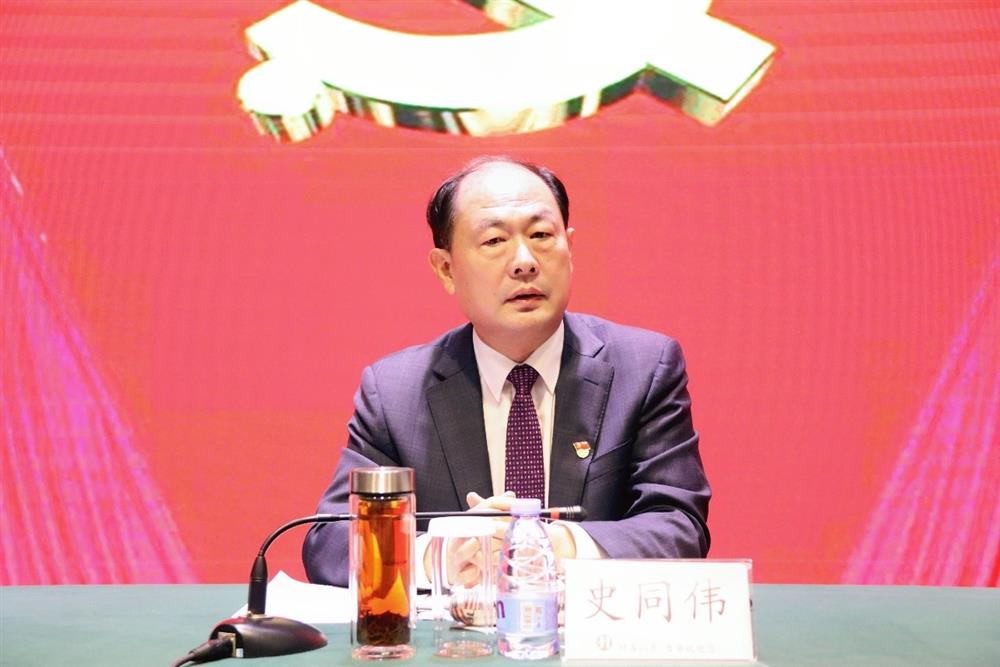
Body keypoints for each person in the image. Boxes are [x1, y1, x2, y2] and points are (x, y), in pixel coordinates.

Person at [303, 156, 710, 587]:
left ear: (570, 248)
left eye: (541, 235)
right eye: (495, 240)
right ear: (446, 269)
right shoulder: (395, 392)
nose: (524, 261)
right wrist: (441, 556)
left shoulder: (644, 368)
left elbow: (679, 525)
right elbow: (330, 542)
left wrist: (558, 546)